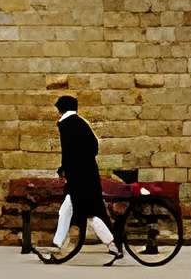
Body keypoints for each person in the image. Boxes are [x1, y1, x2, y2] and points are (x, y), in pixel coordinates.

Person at [54, 90, 120, 261]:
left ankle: (112, 244)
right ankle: (57, 243)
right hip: (88, 173)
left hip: (78, 176)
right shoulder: (81, 123)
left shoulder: (65, 124)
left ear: (61, 109)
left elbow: (68, 151)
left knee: (88, 212)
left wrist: (64, 169)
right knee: (71, 208)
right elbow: (94, 146)